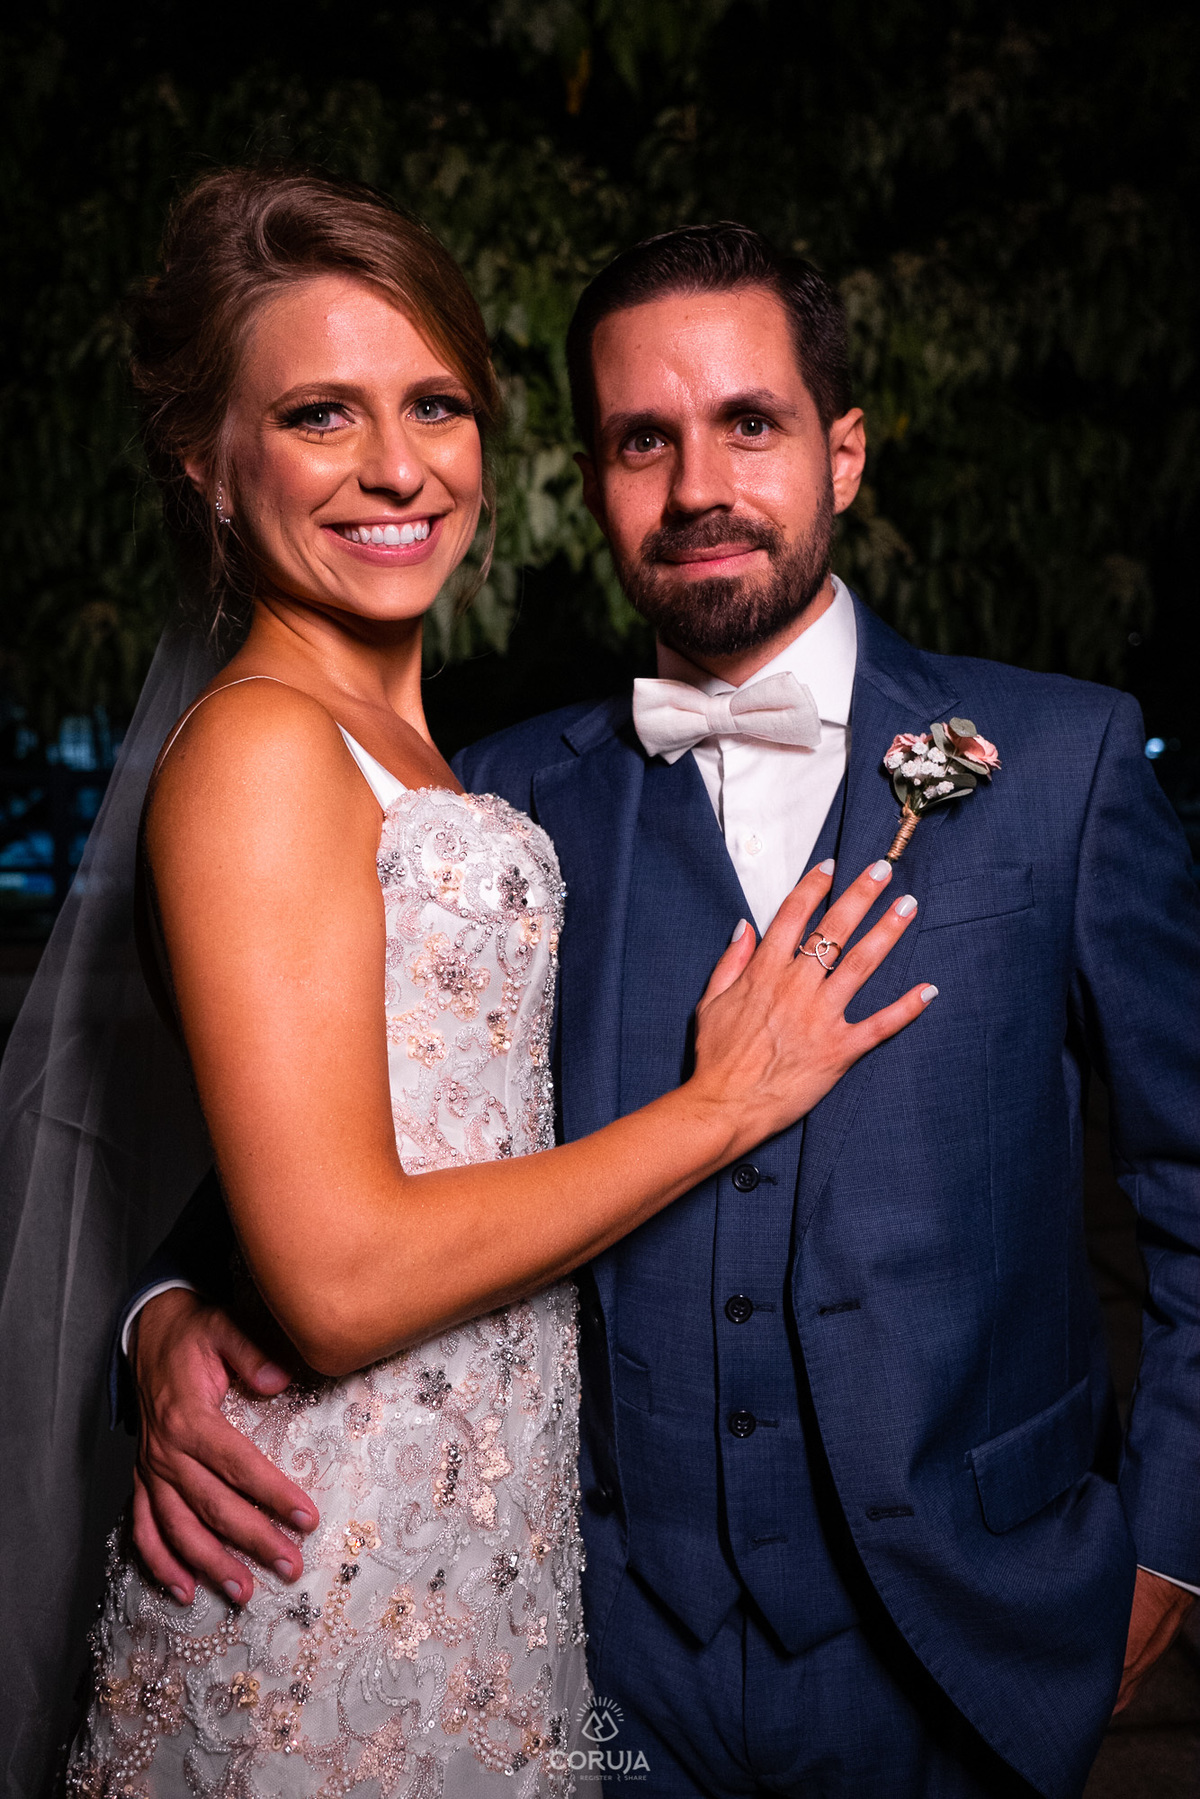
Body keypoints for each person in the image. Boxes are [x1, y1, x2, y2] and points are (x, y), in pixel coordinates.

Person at [117, 223, 1200, 1799]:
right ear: (593, 476)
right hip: (599, 1654)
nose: (698, 486)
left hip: (969, 1633)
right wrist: (162, 1315)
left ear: (842, 452)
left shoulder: (1060, 763)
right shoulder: (501, 801)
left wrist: (1173, 1542)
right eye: (643, 440)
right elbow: (336, 1133)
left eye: (749, 424)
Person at [50, 177, 932, 1797]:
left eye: (435, 404)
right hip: (329, 1551)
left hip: (500, 1554)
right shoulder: (258, 749)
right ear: (207, 464)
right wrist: (722, 1106)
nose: (398, 466)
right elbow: (331, 1277)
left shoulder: (449, 761)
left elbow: (362, 1107)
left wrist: (169, 1313)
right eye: (320, 414)